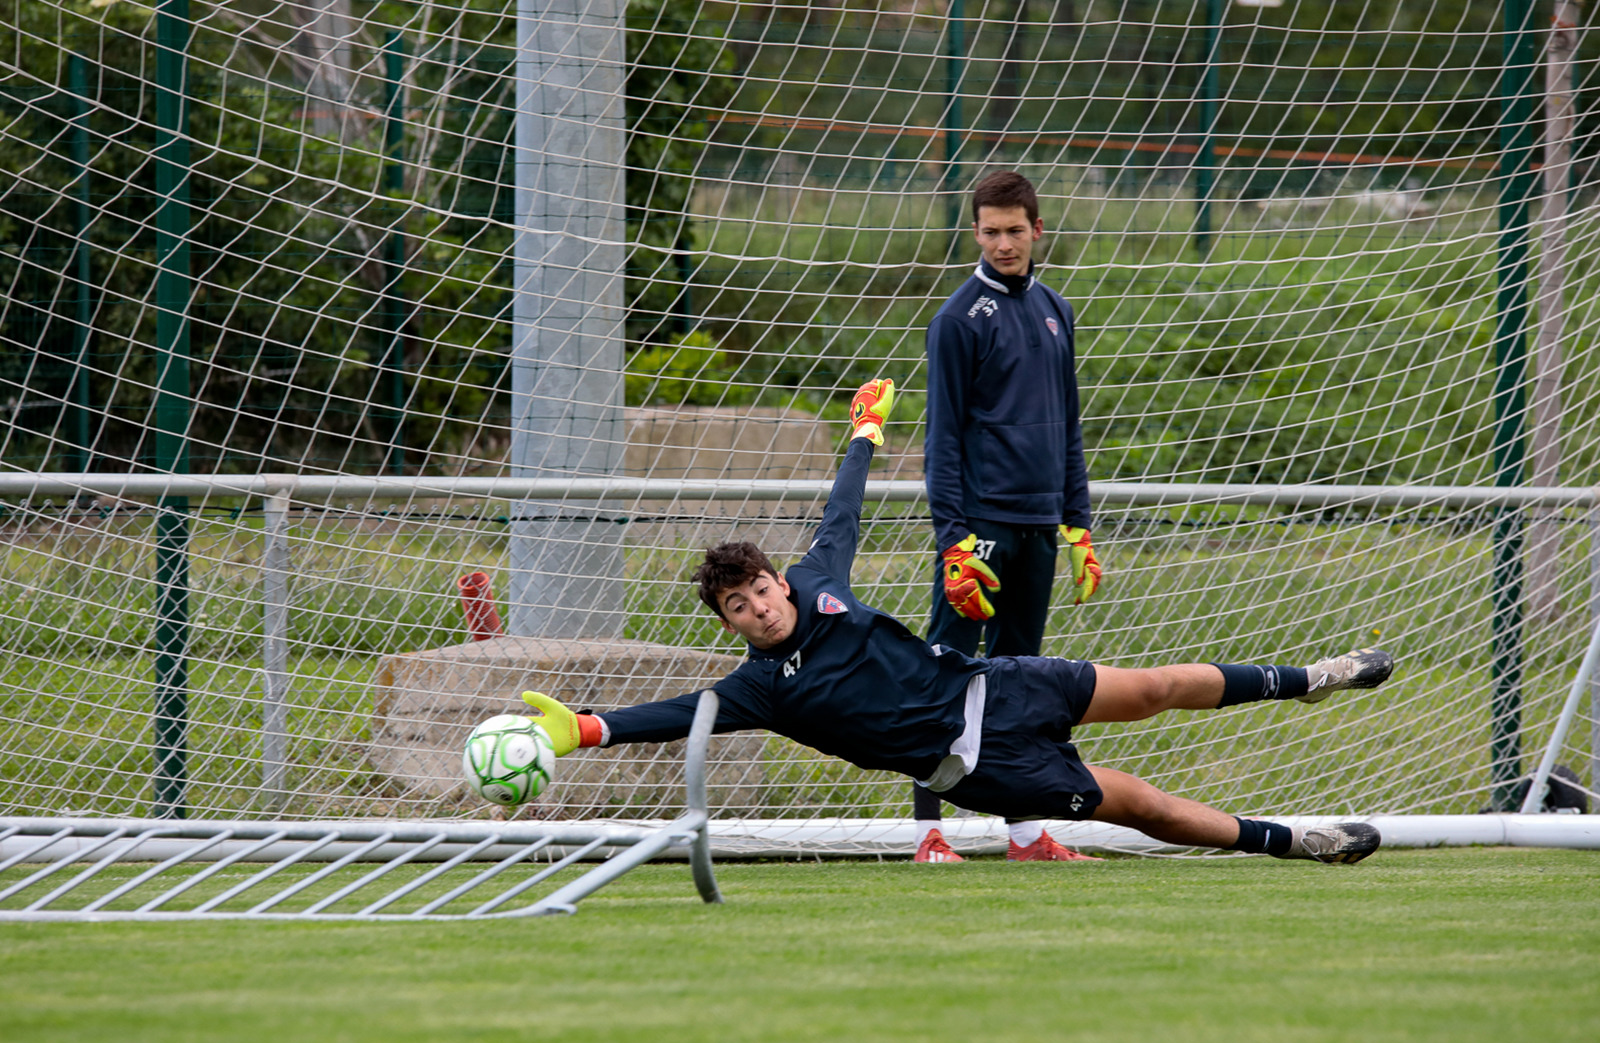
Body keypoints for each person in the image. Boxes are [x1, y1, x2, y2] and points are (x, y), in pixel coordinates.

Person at [517, 380, 1392, 867]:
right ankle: (1297, 843)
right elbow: (680, 715)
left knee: (1155, 686)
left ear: (780, 582)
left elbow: (843, 516)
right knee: (1138, 802)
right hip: (983, 765)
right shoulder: (760, 689)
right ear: (733, 622)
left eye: (760, 591)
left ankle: (1307, 679)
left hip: (996, 685)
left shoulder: (818, 582)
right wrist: (582, 729)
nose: (757, 609)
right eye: (738, 608)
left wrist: (861, 435)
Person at [917, 168, 1101, 864]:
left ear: (1037, 230)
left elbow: (1068, 427)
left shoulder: (1057, 308)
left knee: (1023, 683)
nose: (1003, 243)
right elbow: (942, 441)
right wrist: (953, 543)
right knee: (945, 677)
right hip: (980, 532)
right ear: (975, 233)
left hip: (1040, 530)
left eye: (1014, 231)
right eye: (990, 232)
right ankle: (926, 834)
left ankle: (1024, 834)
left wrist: (1077, 524)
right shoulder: (957, 320)